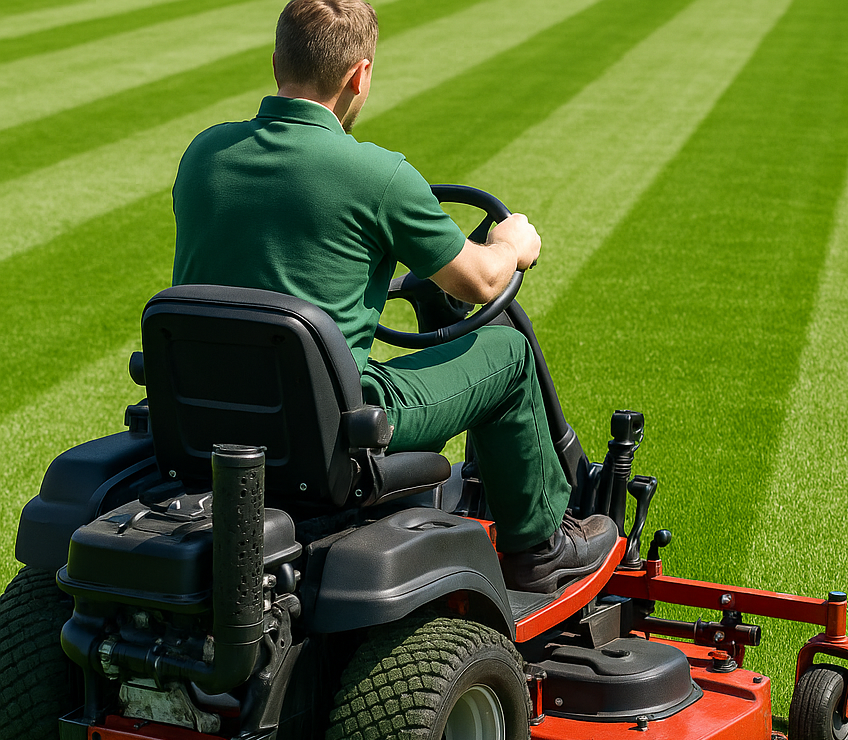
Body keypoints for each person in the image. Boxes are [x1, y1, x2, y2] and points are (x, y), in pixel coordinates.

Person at [171, 0, 617, 594]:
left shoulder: (204, 154)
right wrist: (511, 244)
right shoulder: (378, 176)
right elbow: (482, 282)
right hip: (330, 428)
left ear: (277, 63)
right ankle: (538, 547)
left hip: (205, 416)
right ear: (361, 75)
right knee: (508, 353)